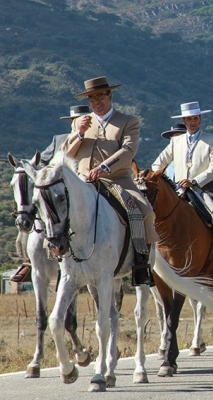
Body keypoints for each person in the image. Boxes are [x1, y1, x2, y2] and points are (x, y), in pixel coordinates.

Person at [62, 76, 158, 286]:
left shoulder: (128, 121)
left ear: (110, 96)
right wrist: (78, 133)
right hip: (83, 181)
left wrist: (104, 167)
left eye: (100, 96)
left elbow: (128, 150)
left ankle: (141, 262)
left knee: (145, 212)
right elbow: (67, 152)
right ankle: (55, 254)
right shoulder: (82, 122)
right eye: (92, 98)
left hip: (117, 180)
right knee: (52, 207)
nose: (96, 101)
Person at [152, 102, 213, 284]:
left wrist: (195, 181)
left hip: (203, 189)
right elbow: (158, 164)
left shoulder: (212, 139)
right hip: (178, 190)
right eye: (189, 119)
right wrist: (163, 179)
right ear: (184, 120)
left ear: (200, 119)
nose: (193, 121)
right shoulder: (176, 141)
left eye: (195, 118)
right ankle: (150, 262)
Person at [10, 105, 91, 284]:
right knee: (30, 215)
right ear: (72, 122)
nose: (80, 122)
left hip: (86, 189)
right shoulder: (59, 140)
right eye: (75, 120)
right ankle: (30, 261)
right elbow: (42, 163)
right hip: (59, 193)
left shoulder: (96, 139)